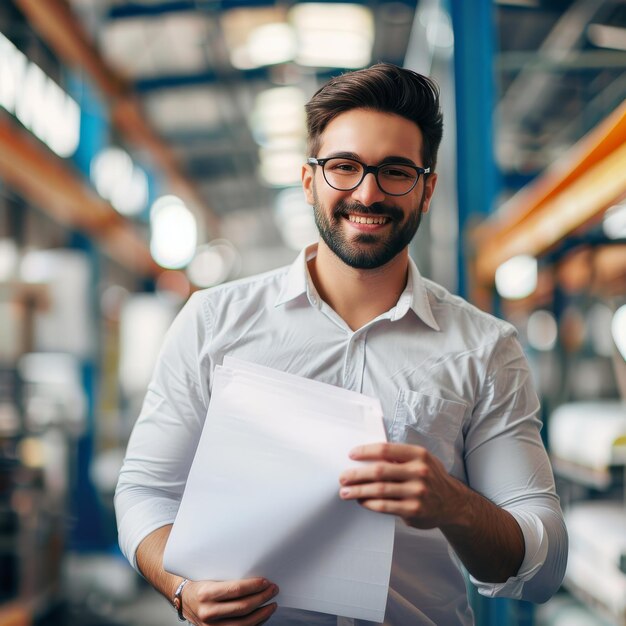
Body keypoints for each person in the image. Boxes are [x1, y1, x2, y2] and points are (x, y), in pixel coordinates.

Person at [115, 63, 568, 626]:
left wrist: (454, 504)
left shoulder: (485, 348)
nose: (368, 193)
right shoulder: (213, 321)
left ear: (427, 190)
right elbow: (145, 492)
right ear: (310, 180)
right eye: (344, 167)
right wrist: (181, 587)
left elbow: (543, 566)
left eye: (396, 172)